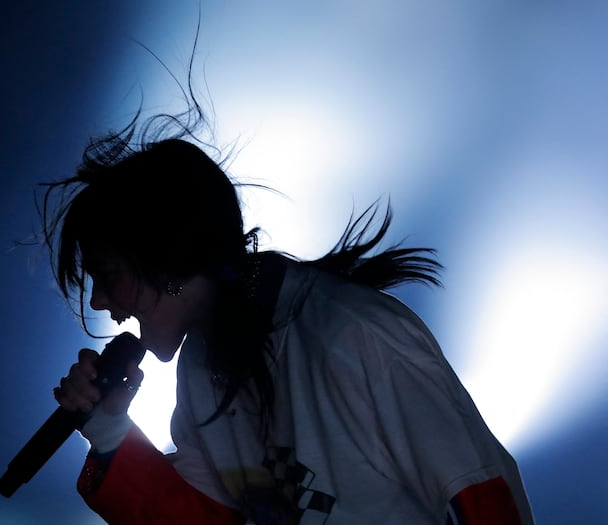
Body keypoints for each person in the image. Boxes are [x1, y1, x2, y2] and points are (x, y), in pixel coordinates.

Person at [39, 99, 535, 524]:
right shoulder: (201, 368)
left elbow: (481, 500)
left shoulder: (354, 336)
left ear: (165, 259)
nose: (100, 301)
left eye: (106, 274)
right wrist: (107, 426)